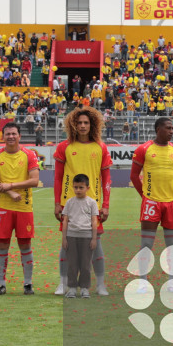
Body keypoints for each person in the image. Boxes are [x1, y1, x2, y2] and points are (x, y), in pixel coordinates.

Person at [53, 107, 113, 296]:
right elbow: (57, 177)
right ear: (73, 125)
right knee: (67, 245)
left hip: (92, 206)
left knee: (96, 245)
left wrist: (105, 205)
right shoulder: (64, 147)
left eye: (86, 122)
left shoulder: (101, 147)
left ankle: (100, 285)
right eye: (79, 123)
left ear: (92, 124)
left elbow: (107, 179)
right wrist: (57, 203)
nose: (82, 126)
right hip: (68, 204)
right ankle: (63, 284)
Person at [130, 117, 173, 292]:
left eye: (172, 128)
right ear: (158, 129)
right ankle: (142, 282)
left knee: (172, 246)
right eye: (168, 128)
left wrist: (170, 191)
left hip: (171, 204)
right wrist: (146, 196)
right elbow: (134, 176)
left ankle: (172, 282)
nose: (171, 131)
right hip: (151, 203)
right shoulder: (144, 149)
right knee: (146, 245)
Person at [0, 122, 40, 295]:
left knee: (25, 244)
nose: (11, 136)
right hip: (2, 206)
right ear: (3, 136)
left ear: (19, 136)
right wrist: (10, 192)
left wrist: (10, 184)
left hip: (24, 207)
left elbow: (34, 181)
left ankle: (27, 284)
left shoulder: (29, 155)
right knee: (2, 245)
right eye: (7, 134)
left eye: (14, 133)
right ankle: (1, 284)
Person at [61, 174, 100, 298]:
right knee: (72, 264)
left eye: (81, 187)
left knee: (85, 264)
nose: (78, 190)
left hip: (87, 237)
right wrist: (64, 238)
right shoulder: (69, 202)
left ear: (87, 188)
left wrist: (94, 238)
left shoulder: (92, 203)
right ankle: (72, 288)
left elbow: (94, 221)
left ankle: (84, 288)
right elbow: (65, 220)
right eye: (76, 187)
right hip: (71, 237)